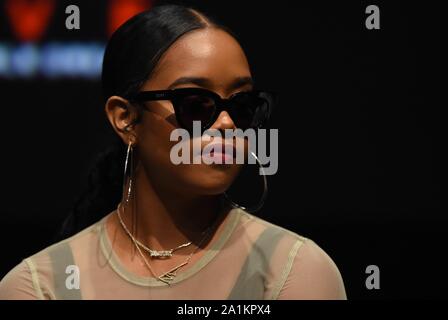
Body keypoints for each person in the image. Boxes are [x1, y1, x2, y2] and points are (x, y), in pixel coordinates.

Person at [0, 4, 346, 300]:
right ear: (126, 119)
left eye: (242, 105)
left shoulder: (293, 271)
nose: (226, 124)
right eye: (196, 104)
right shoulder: (40, 286)